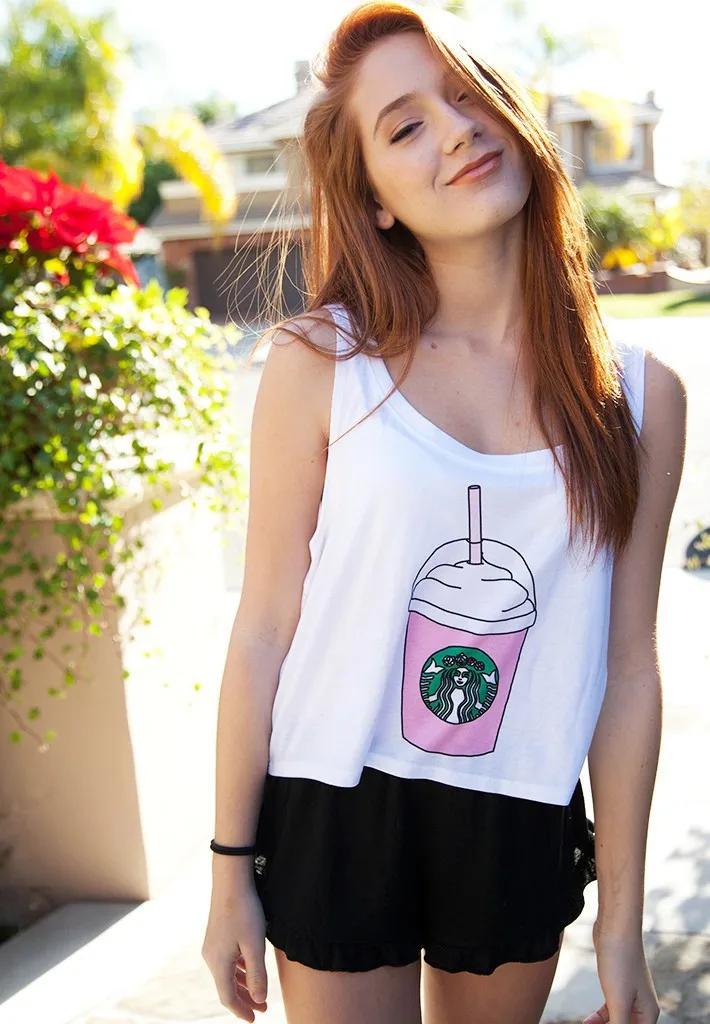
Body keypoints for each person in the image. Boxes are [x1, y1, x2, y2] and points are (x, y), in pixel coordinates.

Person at [201, 3, 686, 1023]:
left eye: (467, 97)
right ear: (373, 198)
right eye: (406, 126)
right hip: (332, 796)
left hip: (518, 805)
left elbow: (628, 668)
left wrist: (621, 924)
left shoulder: (640, 396)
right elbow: (264, 628)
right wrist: (227, 869)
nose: (457, 131)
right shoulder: (319, 362)